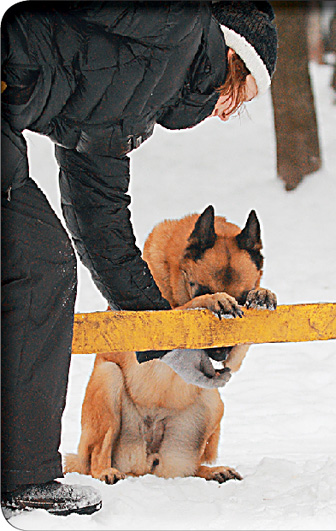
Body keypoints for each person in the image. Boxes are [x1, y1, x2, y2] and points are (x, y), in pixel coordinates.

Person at [1, 1, 277, 516]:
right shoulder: (179, 21)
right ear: (234, 61)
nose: (226, 112)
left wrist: (165, 342)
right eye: (241, 96)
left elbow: (99, 221)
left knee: (43, 265)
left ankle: (23, 477)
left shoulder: (135, 104)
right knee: (36, 264)